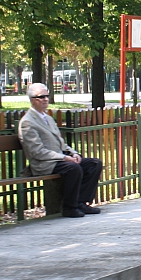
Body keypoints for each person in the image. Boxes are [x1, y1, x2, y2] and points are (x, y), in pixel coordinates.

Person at [19, 82, 104, 218]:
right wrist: (64, 157)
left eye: (47, 96)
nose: (46, 99)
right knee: (73, 168)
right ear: (32, 99)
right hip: (44, 163)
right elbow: (37, 152)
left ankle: (81, 202)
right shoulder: (27, 122)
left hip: (59, 158)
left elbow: (62, 144)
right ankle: (69, 207)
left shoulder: (48, 118)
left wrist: (73, 153)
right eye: (41, 97)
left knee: (94, 164)